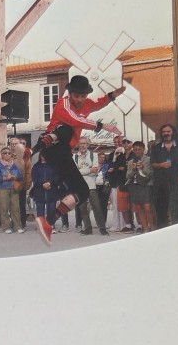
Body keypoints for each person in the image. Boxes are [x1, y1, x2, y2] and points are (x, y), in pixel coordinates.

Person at [33, 74, 123, 244]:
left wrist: (112, 96)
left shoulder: (86, 103)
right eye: (76, 96)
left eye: (83, 96)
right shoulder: (63, 103)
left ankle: (48, 222)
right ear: (70, 93)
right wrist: (103, 126)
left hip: (63, 153)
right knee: (67, 129)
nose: (80, 100)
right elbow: (76, 119)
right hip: (53, 146)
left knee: (82, 192)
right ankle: (33, 149)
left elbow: (98, 104)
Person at [149, 123, 178, 226]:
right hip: (161, 181)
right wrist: (161, 165)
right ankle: (163, 229)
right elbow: (152, 164)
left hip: (177, 180)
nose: (166, 134)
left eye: (168, 131)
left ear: (173, 132)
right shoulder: (156, 148)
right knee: (161, 207)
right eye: (164, 132)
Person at [0, 146, 23, 233]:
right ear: (1, 155)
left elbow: (20, 176)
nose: (7, 155)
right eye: (5, 153)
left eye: (9, 153)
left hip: (14, 189)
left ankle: (18, 227)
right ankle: (6, 227)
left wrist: (14, 176)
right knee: (4, 209)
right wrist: (6, 178)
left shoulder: (14, 165)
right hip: (2, 189)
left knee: (15, 209)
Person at [73, 137, 101, 234]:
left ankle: (102, 228)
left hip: (91, 185)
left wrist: (82, 172)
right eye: (80, 143)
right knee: (83, 209)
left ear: (88, 145)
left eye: (84, 143)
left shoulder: (94, 155)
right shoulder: (74, 157)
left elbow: (95, 171)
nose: (82, 146)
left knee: (97, 207)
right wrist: (89, 170)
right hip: (80, 187)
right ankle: (88, 229)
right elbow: (75, 173)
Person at [125, 140, 154, 232]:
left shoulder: (148, 160)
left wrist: (143, 168)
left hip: (146, 185)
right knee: (139, 208)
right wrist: (133, 170)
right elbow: (127, 176)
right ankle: (145, 229)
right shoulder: (131, 162)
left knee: (147, 207)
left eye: (139, 149)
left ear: (143, 149)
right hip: (135, 186)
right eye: (135, 149)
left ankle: (153, 228)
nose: (137, 151)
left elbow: (151, 174)